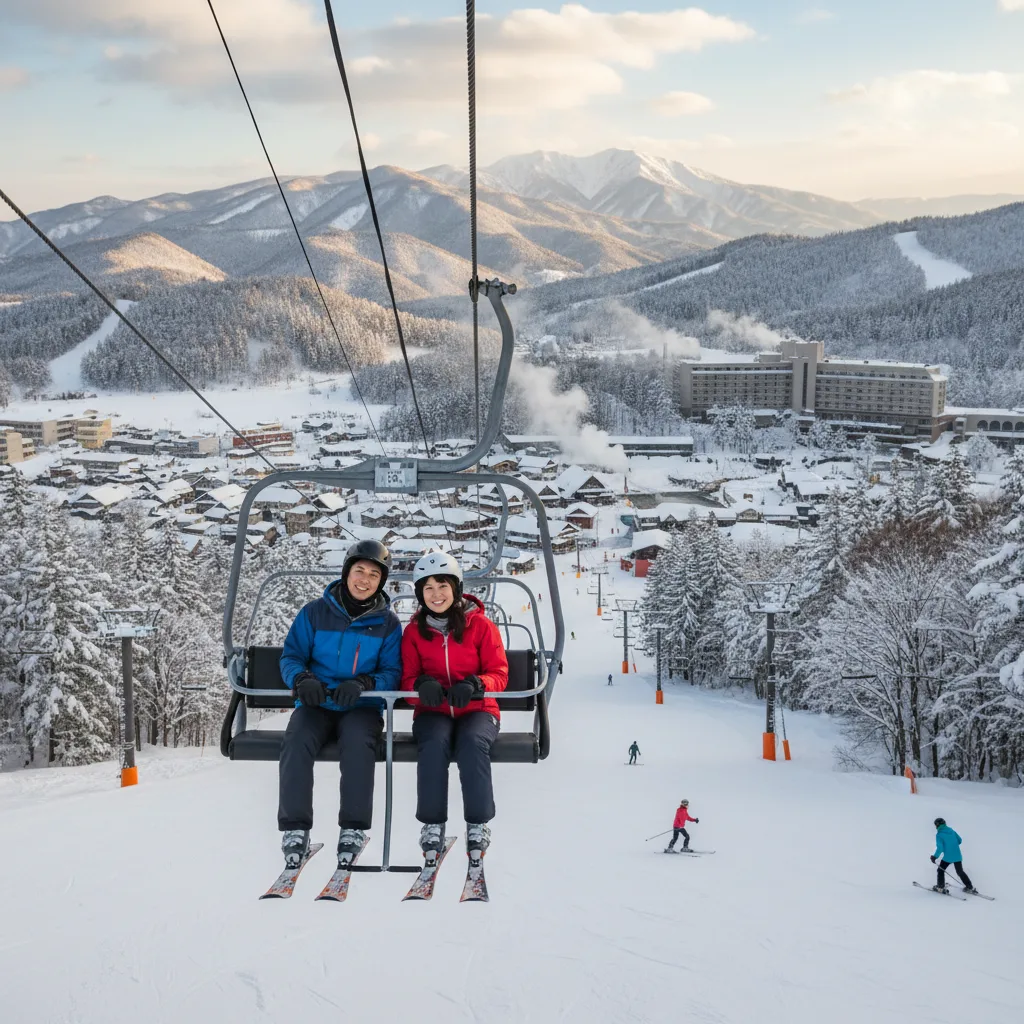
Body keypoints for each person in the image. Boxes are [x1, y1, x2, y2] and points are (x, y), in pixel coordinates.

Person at [277, 540, 401, 870]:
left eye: (374, 575)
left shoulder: (387, 624)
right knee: (296, 740)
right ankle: (295, 829)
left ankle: (353, 829)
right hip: (317, 703)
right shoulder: (315, 613)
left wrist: (365, 685)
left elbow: (392, 672)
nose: (364, 579)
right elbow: (291, 656)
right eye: (359, 571)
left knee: (360, 745)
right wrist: (302, 680)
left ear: (381, 582)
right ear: (346, 573)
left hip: (361, 707)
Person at [401, 552, 508, 867]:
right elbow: (405, 682)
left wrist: (476, 684)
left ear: (456, 589)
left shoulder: (481, 627)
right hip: (432, 712)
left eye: (442, 586)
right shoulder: (414, 633)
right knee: (433, 743)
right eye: (428, 588)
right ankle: (432, 823)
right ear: (420, 594)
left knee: (472, 743)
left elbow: (500, 674)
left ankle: (477, 823)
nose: (436, 595)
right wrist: (420, 687)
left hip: (478, 710)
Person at [931, 817, 977, 894]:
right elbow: (960, 840)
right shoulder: (951, 830)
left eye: (935, 825)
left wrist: (934, 856)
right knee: (960, 871)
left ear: (937, 825)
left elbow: (940, 848)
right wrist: (952, 845)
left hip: (948, 857)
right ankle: (969, 887)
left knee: (940, 870)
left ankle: (940, 887)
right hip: (957, 856)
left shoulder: (939, 835)